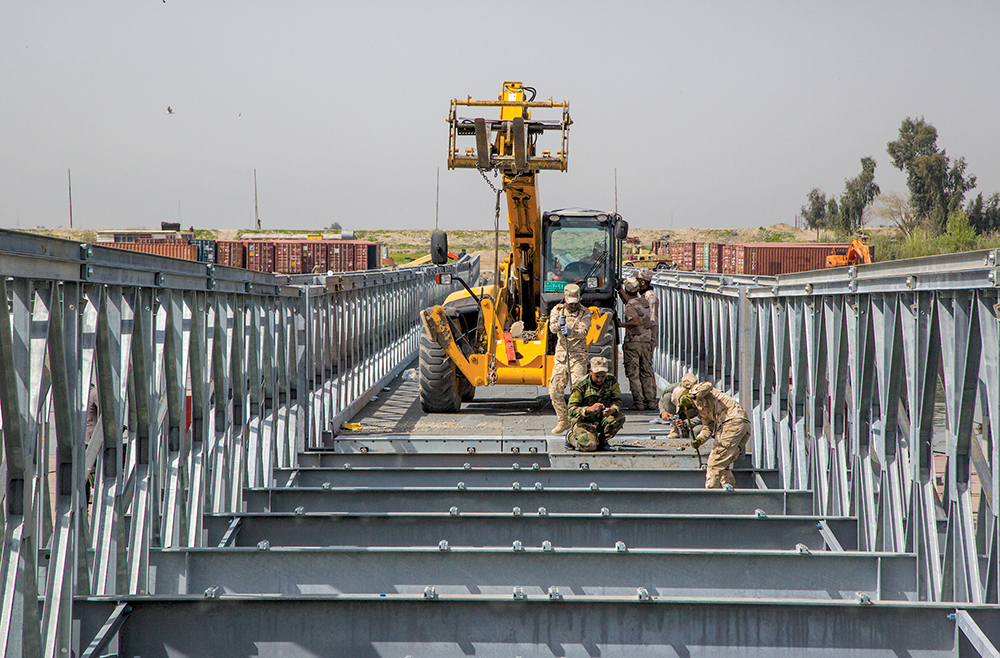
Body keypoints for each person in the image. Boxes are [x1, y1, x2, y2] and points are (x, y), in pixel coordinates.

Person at [689, 381, 751, 489]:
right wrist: (699, 440)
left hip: (732, 422)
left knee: (714, 463)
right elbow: (707, 427)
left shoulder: (707, 393)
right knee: (723, 464)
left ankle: (711, 496)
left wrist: (694, 395)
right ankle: (732, 492)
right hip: (741, 425)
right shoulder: (703, 409)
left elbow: (707, 386)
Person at [548, 283, 592, 434]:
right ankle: (563, 420)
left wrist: (571, 331)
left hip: (578, 357)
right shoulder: (557, 310)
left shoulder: (585, 312)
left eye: (575, 302)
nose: (573, 305)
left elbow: (584, 331)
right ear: (565, 299)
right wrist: (558, 326)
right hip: (562, 356)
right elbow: (552, 328)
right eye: (570, 302)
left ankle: (578, 423)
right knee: (555, 389)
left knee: (578, 391)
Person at [566, 356, 625, 451]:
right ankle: (570, 437)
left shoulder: (611, 381)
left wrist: (612, 409)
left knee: (618, 418)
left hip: (601, 418)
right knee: (589, 446)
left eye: (603, 376)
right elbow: (570, 410)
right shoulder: (581, 385)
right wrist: (588, 409)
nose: (600, 380)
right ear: (590, 372)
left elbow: (617, 400)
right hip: (583, 420)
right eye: (597, 376)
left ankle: (602, 441)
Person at [620, 278, 655, 410]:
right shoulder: (645, 302)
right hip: (646, 341)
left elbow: (635, 322)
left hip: (633, 343)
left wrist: (621, 324)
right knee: (646, 372)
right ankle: (650, 401)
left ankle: (638, 403)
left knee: (633, 374)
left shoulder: (631, 306)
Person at [659, 373, 702, 440]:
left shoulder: (702, 395)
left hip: (694, 418)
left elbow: (703, 417)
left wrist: (685, 423)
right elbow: (662, 400)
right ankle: (676, 429)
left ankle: (686, 430)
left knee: (695, 432)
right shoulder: (672, 388)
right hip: (679, 413)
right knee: (667, 397)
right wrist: (663, 411)